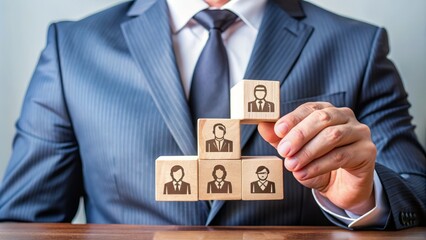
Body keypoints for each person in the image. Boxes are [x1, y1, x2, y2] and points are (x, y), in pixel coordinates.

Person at [0, 0, 424, 230]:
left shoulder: (358, 46)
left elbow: (416, 196)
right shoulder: (72, 47)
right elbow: (22, 220)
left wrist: (366, 198)